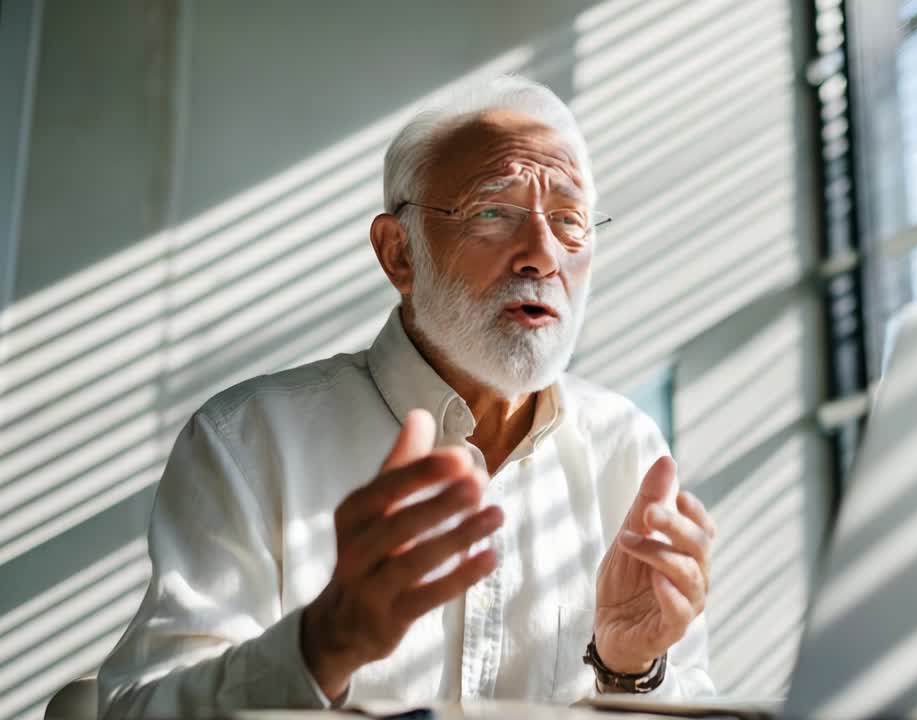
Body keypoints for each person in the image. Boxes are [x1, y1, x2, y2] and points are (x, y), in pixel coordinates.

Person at [97, 74, 716, 718]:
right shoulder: (247, 442)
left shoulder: (626, 448)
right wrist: (322, 643)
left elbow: (698, 697)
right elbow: (138, 711)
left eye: (569, 220)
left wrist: (631, 671)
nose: (542, 255)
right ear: (399, 254)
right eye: (492, 213)